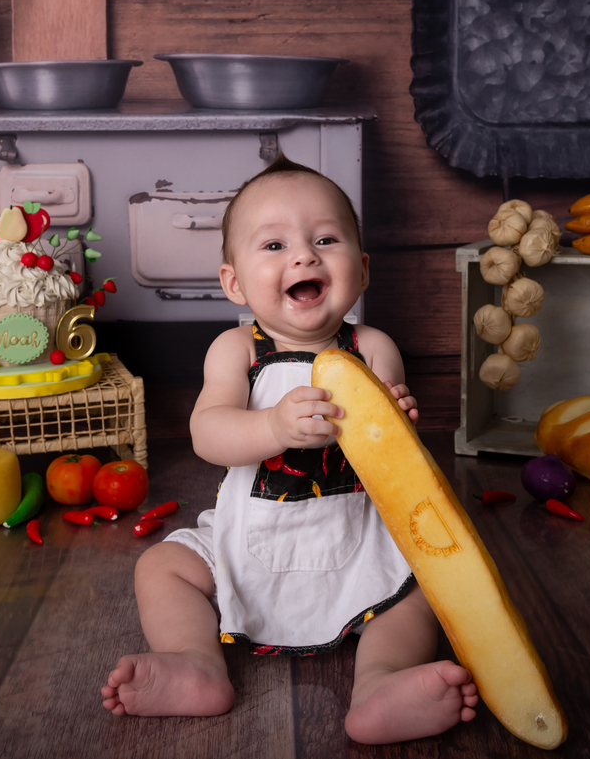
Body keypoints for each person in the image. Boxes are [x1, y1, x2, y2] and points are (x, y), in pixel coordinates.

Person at [101, 154, 478, 744]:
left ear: (363, 268)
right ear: (234, 283)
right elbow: (208, 434)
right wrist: (273, 426)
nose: (304, 255)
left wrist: (395, 428)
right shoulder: (236, 351)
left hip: (354, 542)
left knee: (418, 591)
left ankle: (381, 681)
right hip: (248, 540)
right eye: (273, 246)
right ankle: (195, 662)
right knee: (162, 567)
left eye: (326, 239)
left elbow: (398, 467)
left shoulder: (373, 348)